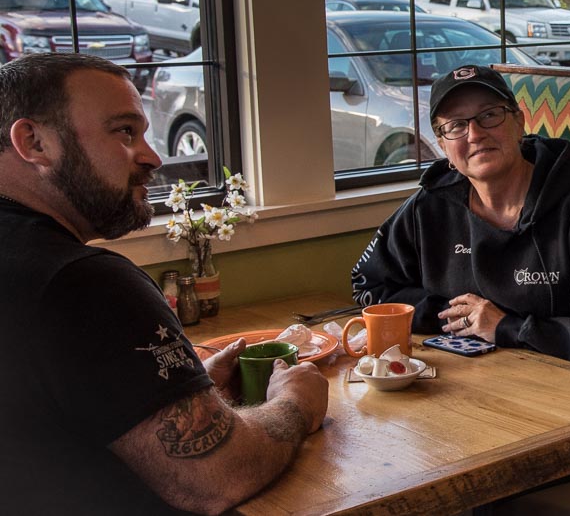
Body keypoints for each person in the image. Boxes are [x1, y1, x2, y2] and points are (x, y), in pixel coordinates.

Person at [0, 53, 328, 515]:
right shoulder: (82, 281)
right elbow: (217, 477)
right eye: (124, 131)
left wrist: (175, 393)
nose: (153, 157)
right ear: (33, 142)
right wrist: (296, 403)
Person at [351, 64, 570, 380]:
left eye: (489, 116)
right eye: (456, 125)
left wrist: (507, 327)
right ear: (442, 145)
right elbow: (369, 284)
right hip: (482, 389)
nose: (475, 134)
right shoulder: (428, 207)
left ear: (519, 122)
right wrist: (455, 316)